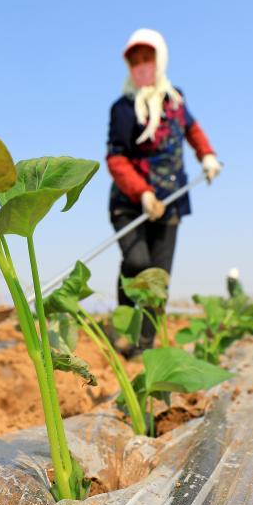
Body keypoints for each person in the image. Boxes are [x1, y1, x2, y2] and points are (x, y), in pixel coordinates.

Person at [107, 28, 221, 349]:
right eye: (136, 60)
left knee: (159, 279)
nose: (142, 65)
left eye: (148, 58)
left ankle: (144, 344)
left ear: (160, 60)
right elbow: (115, 158)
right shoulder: (123, 108)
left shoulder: (175, 100)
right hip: (129, 203)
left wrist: (207, 155)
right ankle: (125, 329)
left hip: (170, 203)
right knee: (137, 263)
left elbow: (193, 130)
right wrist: (142, 192)